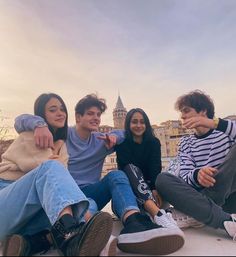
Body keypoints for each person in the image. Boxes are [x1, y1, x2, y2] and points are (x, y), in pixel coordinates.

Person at [14, 93, 185, 256]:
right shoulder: (64, 135)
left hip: (90, 191)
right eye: (90, 113)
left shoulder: (102, 140)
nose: (96, 117)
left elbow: (127, 132)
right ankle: (84, 236)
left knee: (117, 175)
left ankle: (134, 222)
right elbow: (20, 120)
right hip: (65, 196)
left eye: (98, 114)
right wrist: (39, 125)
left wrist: (115, 136)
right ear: (78, 117)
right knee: (90, 205)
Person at [0, 93, 113, 256]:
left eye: (62, 109)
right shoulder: (31, 135)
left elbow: (60, 187)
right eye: (53, 110)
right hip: (6, 202)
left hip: (25, 217)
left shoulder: (61, 146)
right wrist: (86, 220)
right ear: (41, 114)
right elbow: (52, 172)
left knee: (88, 203)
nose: (60, 113)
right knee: (56, 174)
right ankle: (70, 236)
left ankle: (32, 243)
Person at [155, 90, 236, 240]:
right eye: (181, 113)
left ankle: (197, 214)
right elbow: (185, 175)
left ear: (203, 111)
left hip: (228, 198)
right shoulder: (186, 142)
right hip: (202, 196)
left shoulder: (225, 131)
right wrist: (197, 175)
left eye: (186, 111)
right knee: (162, 179)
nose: (182, 116)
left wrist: (213, 123)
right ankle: (224, 220)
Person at [115, 108, 179, 228]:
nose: (138, 125)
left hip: (152, 191)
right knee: (130, 168)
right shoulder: (122, 144)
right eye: (134, 122)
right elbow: (126, 170)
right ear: (128, 124)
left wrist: (154, 188)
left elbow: (155, 167)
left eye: (142, 122)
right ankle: (158, 215)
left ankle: (155, 214)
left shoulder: (153, 142)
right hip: (131, 191)